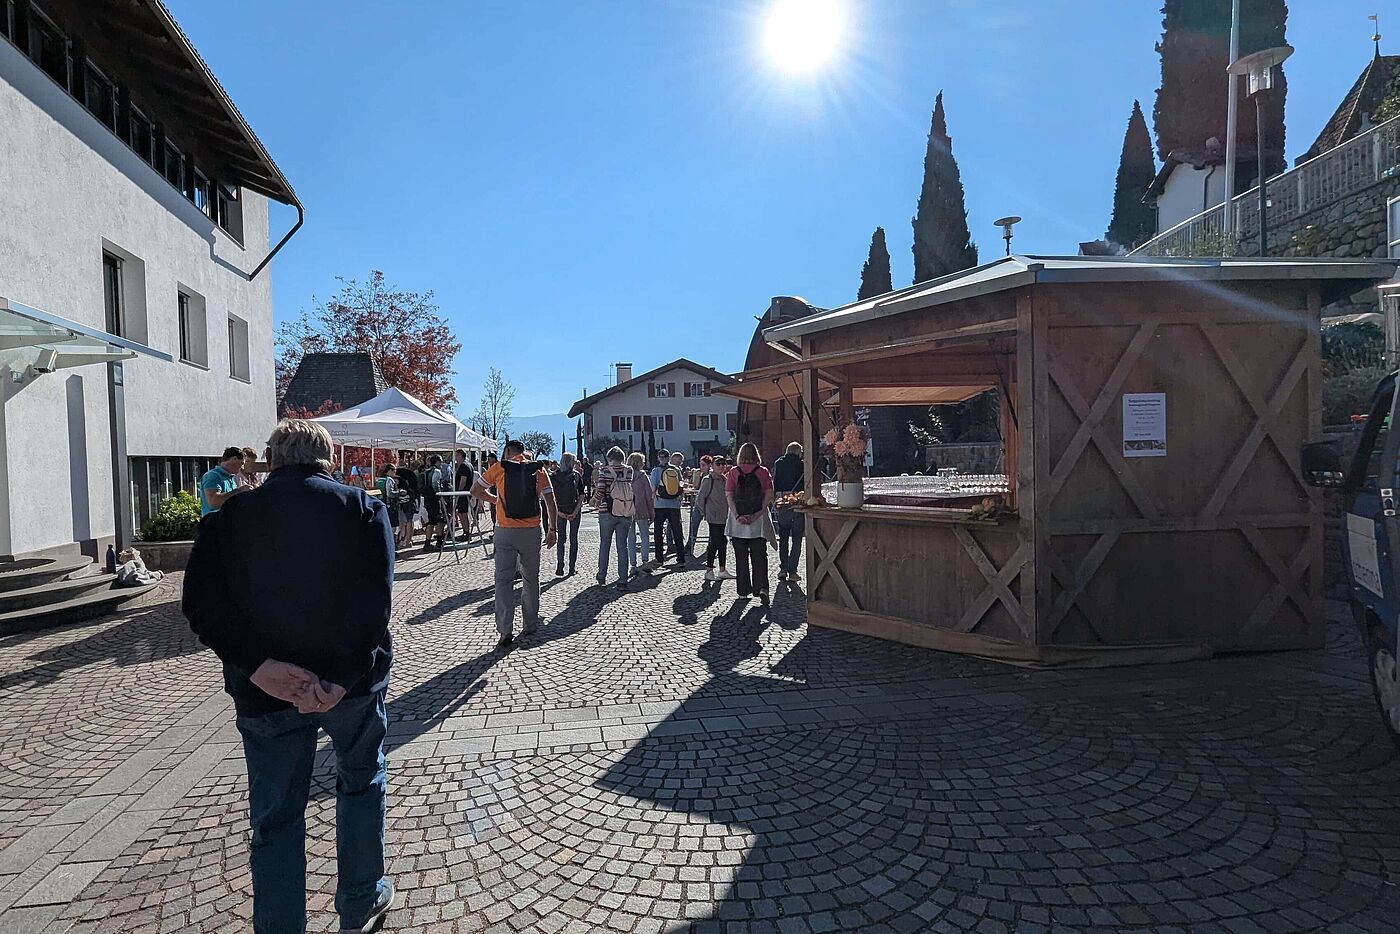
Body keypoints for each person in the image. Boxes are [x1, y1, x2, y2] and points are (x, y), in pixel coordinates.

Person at [182, 419, 395, 934]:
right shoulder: (362, 508)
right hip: (348, 690)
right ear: (326, 457)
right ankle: (360, 901)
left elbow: (202, 606)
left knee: (276, 818)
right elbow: (374, 605)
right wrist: (341, 678)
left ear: (272, 459)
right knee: (361, 783)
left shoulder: (229, 518)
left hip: (264, 693)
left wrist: (259, 666)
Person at [472, 440, 557, 647]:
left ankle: (505, 629)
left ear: (508, 451)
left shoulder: (499, 468)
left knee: (503, 581)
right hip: (530, 531)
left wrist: (496, 500)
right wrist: (552, 529)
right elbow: (550, 501)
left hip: (505, 530)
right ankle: (530, 624)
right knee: (531, 579)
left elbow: (475, 490)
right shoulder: (538, 470)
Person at [726, 442, 775, 606]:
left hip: (737, 522)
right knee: (760, 556)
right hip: (757, 522)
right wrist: (758, 514)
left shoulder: (733, 472)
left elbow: (729, 496)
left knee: (741, 557)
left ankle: (742, 591)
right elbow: (769, 495)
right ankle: (762, 588)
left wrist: (737, 515)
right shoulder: (763, 472)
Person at [591, 446, 634, 591]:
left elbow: (601, 490)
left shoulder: (605, 471)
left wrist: (594, 501)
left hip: (607, 511)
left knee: (605, 544)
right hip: (625, 511)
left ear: (609, 458)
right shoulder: (629, 470)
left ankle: (602, 575)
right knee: (622, 546)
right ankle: (622, 579)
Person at [771, 442, 806, 583]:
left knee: (784, 534)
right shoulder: (801, 464)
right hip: (797, 499)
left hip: (782, 500)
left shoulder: (779, 462)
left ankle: (783, 568)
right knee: (797, 536)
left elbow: (775, 481)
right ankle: (793, 571)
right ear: (798, 451)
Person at [697, 455, 733, 581]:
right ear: (712, 465)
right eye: (718, 464)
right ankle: (709, 570)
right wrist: (705, 513)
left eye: (724, 464)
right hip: (713, 516)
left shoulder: (724, 479)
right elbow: (700, 499)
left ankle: (722, 569)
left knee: (723, 542)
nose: (722, 466)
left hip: (724, 516)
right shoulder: (708, 480)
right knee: (715, 542)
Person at [550, 453, 585, 576]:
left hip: (560, 510)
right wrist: (575, 511)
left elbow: (550, 497)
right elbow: (581, 495)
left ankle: (560, 564)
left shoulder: (553, 476)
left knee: (561, 539)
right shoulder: (576, 475)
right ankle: (572, 567)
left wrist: (558, 512)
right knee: (573, 538)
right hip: (573, 508)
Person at [651, 449, 686, 568]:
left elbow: (653, 488)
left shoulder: (655, 470)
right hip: (674, 505)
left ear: (658, 458)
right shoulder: (676, 470)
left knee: (658, 532)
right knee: (677, 531)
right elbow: (681, 485)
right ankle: (681, 558)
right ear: (669, 457)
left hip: (659, 505)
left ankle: (659, 559)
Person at [626, 452, 655, 575]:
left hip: (627, 508)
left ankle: (632, 564)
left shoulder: (625, 475)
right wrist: (652, 511)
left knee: (630, 538)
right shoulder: (643, 476)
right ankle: (645, 561)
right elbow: (649, 495)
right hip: (641, 508)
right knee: (644, 535)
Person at [200, 447, 249, 517]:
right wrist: (239, 490)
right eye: (242, 463)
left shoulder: (230, 478)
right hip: (214, 524)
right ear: (234, 459)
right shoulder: (212, 476)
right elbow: (214, 503)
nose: (242, 467)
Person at [686, 454, 713, 560]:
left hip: (709, 504)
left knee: (712, 525)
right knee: (694, 523)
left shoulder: (711, 476)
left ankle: (711, 545)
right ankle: (690, 544)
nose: (701, 466)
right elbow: (696, 487)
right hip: (698, 502)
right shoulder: (699, 474)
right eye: (700, 464)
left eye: (703, 465)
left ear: (709, 465)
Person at [420, 455, 446, 551]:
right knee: (440, 520)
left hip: (427, 498)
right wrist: (441, 497)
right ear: (437, 462)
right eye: (441, 461)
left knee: (431, 521)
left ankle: (427, 542)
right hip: (434, 499)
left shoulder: (425, 471)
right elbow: (436, 486)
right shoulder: (437, 472)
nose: (441, 464)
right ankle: (439, 541)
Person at [394, 457, 421, 548]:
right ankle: (408, 540)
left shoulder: (397, 475)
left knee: (405, 521)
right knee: (409, 520)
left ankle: (406, 540)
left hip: (404, 500)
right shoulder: (410, 474)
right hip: (411, 499)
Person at [453, 450, 475, 545]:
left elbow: (463, 481)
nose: (456, 457)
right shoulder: (468, 465)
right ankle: (465, 531)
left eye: (457, 455)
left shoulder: (464, 466)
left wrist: (458, 492)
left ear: (462, 456)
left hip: (463, 493)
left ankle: (466, 532)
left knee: (463, 513)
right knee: (462, 513)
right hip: (465, 493)